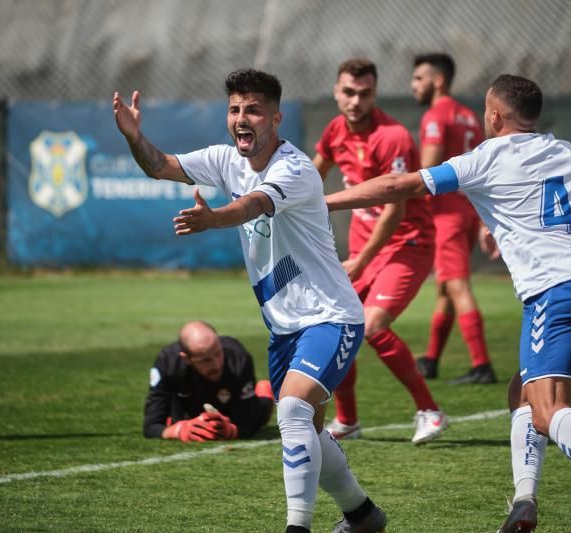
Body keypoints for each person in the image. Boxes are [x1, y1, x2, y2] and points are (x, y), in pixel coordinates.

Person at [324, 74, 571, 533]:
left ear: (494, 116)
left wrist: (323, 202)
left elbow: (396, 187)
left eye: (486, 111)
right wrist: (507, 219)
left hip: (555, 290)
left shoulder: (485, 157)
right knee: (522, 390)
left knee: (548, 409)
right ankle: (524, 502)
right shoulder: (569, 151)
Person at [114, 69, 386, 533]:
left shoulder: (295, 169)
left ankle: (296, 527)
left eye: (253, 110)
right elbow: (160, 165)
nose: (242, 118)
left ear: (276, 119)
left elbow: (253, 205)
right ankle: (362, 515)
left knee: (295, 410)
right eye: (235, 109)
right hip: (283, 330)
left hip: (330, 317)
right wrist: (135, 137)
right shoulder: (226, 159)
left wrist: (212, 218)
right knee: (309, 430)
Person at [312, 58, 447, 445]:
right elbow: (311, 174)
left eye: (364, 93)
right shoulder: (335, 129)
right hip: (364, 248)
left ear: (375, 94)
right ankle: (348, 420)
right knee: (340, 328)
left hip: (408, 244)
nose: (355, 101)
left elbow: (395, 207)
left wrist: (361, 260)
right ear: (337, 92)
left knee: (371, 326)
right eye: (348, 92)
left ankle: (431, 411)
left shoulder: (393, 137)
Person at [410, 52, 497, 385]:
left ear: (438, 80)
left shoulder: (436, 115)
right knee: (446, 287)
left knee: (457, 284)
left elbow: (428, 170)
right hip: (467, 210)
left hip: (445, 213)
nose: (413, 85)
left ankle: (481, 364)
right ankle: (431, 359)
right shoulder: (469, 117)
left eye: (419, 79)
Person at [143, 320, 274, 442]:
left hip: (231, 407)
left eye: (218, 353)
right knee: (172, 419)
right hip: (188, 410)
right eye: (205, 360)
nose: (216, 365)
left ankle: (263, 393)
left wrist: (231, 430)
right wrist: (178, 430)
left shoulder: (238, 357)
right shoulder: (168, 362)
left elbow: (247, 423)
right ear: (186, 359)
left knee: (260, 417)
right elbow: (151, 425)